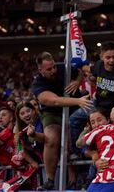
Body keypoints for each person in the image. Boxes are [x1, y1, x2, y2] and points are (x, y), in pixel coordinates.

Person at [31, 51, 92, 189]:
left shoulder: (62, 67)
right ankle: (50, 180)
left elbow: (80, 70)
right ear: (40, 70)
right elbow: (55, 101)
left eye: (53, 66)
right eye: (49, 69)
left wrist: (77, 81)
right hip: (53, 112)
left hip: (74, 110)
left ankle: (76, 179)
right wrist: (77, 100)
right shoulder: (37, 84)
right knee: (51, 139)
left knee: (73, 140)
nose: (53, 70)